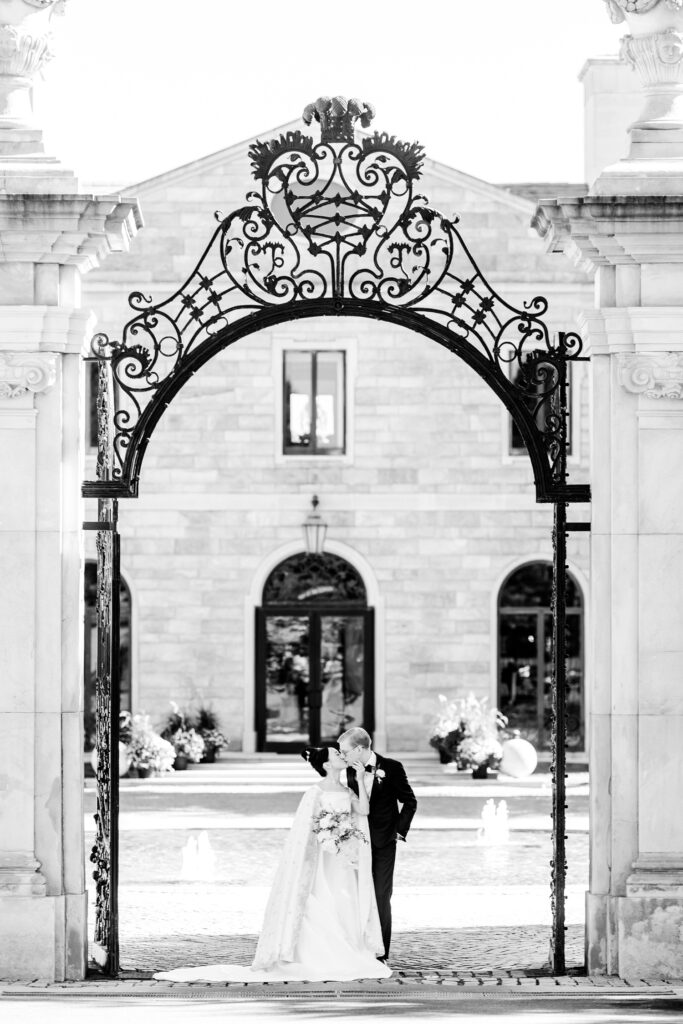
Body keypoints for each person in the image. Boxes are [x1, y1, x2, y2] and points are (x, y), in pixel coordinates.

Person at [153, 745, 391, 983]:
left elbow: (363, 809)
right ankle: (315, 954)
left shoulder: (347, 789)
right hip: (321, 859)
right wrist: (327, 836)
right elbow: (305, 830)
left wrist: (359, 779)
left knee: (344, 901)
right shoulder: (315, 792)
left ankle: (347, 952)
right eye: (336, 754)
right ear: (327, 765)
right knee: (321, 899)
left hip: (342, 858)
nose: (341, 755)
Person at [337, 726, 417, 963]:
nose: (343, 756)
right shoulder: (351, 771)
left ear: (359, 748)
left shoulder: (392, 767)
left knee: (382, 895)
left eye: (345, 751)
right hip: (359, 841)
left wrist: (398, 832)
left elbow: (410, 801)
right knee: (359, 892)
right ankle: (359, 945)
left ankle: (381, 952)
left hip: (384, 841)